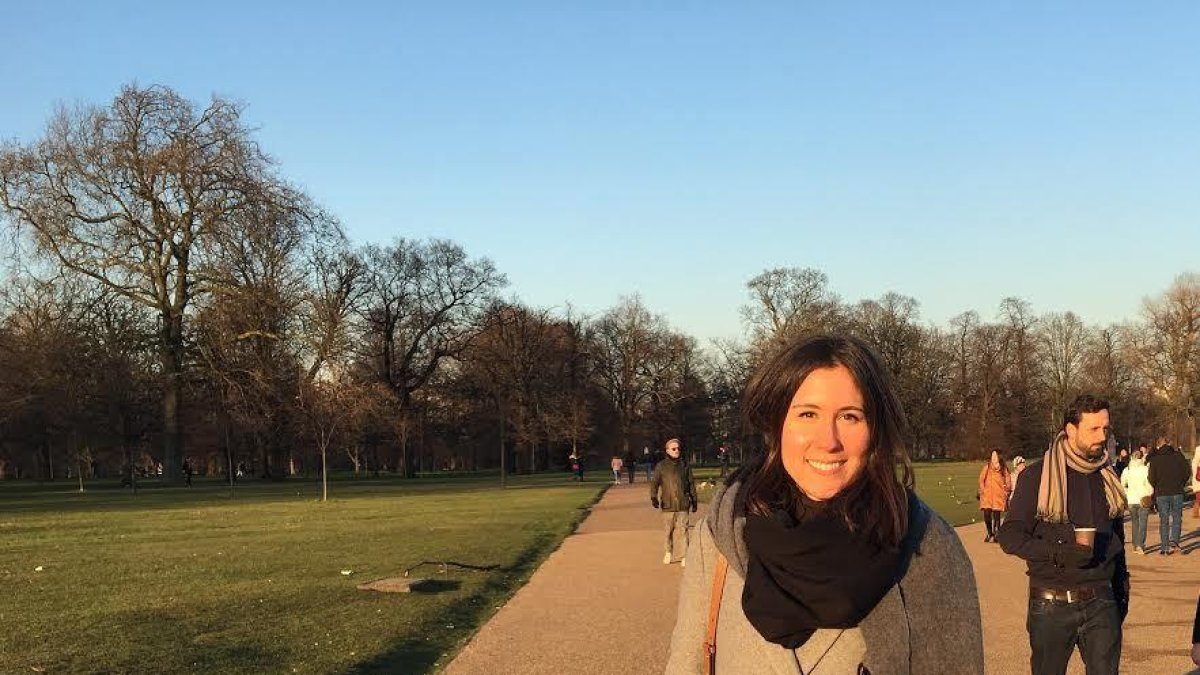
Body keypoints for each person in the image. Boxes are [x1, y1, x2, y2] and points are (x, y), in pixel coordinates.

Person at [665, 334, 982, 674]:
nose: (828, 441)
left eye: (849, 417)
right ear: (778, 423)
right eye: (807, 415)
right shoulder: (718, 537)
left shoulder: (929, 546)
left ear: (875, 430)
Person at [997, 394, 1129, 675]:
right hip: (1051, 603)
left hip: (1101, 601)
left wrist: (1121, 590)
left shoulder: (1107, 475)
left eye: (1105, 429)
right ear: (1071, 430)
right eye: (1093, 429)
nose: (1102, 437)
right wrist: (1057, 552)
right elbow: (1009, 535)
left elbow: (1117, 537)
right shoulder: (1038, 476)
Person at [650, 438, 697, 566]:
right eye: (674, 449)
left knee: (684, 531)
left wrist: (694, 500)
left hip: (682, 504)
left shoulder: (685, 465)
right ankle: (668, 552)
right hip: (668, 504)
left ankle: (685, 556)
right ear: (667, 450)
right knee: (668, 531)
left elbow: (691, 484)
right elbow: (654, 483)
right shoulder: (661, 466)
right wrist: (653, 497)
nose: (677, 451)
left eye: (678, 448)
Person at [1147, 439, 1191, 555]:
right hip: (1177, 491)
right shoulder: (1178, 456)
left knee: (1164, 520)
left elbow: (1151, 478)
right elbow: (1187, 472)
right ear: (1169, 444)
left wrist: (1157, 486)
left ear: (1158, 446)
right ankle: (1175, 542)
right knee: (1177, 518)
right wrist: (1181, 483)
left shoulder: (1155, 459)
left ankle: (1164, 547)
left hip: (1162, 493)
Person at [1120, 449, 1152, 555]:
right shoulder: (1145, 469)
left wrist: (1127, 493)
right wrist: (1149, 493)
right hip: (1143, 498)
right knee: (1143, 523)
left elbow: (1122, 484)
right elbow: (1149, 484)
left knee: (1135, 523)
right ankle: (1140, 545)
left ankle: (1135, 544)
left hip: (1131, 499)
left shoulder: (1127, 470)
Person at [978, 449, 1011, 543]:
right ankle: (989, 533)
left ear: (999, 457)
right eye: (992, 456)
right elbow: (981, 479)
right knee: (987, 514)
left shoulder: (1003, 468)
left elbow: (1008, 480)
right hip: (987, 495)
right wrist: (983, 489)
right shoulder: (987, 467)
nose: (994, 458)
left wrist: (1006, 490)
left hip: (998, 495)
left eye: (995, 456)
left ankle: (996, 534)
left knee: (997, 516)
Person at [1191, 444, 1200, 520]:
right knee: (1198, 497)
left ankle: (1196, 512)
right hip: (1198, 478)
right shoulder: (1198, 450)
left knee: (1198, 497)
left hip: (1198, 477)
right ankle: (1196, 512)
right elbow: (1194, 464)